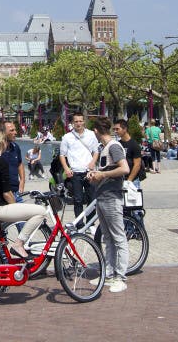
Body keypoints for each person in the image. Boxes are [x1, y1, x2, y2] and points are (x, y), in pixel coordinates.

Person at [0, 128, 47, 259]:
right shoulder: (1, 162)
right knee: (41, 211)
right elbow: (7, 193)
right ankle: (18, 244)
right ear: (3, 143)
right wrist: (17, 207)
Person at [87, 116, 130, 293]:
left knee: (118, 237)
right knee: (108, 238)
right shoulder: (105, 148)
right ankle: (110, 274)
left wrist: (103, 175)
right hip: (103, 196)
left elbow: (124, 168)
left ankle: (120, 277)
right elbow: (108, 170)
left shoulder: (113, 147)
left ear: (96, 131)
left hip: (112, 197)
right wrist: (96, 175)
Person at [59, 113, 99, 220]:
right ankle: (79, 223)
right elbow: (62, 155)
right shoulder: (67, 137)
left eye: (80, 121)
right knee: (78, 199)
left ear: (84, 122)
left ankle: (90, 223)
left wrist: (93, 162)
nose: (78, 123)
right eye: (76, 121)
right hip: (75, 172)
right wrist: (66, 168)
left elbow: (96, 151)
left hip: (89, 171)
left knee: (92, 198)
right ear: (72, 123)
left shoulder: (91, 134)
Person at [0, 121, 25, 202]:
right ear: (3, 132)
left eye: (15, 130)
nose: (15, 132)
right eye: (12, 130)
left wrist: (22, 181)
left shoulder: (15, 147)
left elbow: (20, 164)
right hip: (2, 193)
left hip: (16, 192)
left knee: (22, 214)